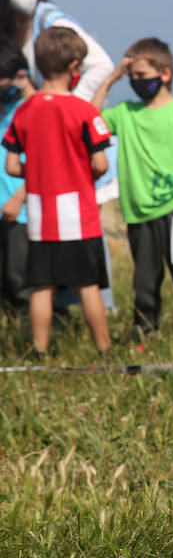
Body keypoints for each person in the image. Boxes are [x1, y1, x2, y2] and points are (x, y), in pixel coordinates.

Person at [3, 0, 119, 311]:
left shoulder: (53, 23)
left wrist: (65, 109)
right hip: (39, 149)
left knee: (81, 243)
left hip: (63, 151)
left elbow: (100, 65)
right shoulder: (9, 26)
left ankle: (95, 308)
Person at [89, 38, 173, 340]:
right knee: (144, 281)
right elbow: (91, 120)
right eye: (132, 77)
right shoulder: (125, 113)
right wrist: (112, 79)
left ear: (165, 73)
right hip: (139, 210)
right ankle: (144, 333)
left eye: (141, 76)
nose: (136, 82)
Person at [2, 27, 113, 354]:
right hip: (79, 215)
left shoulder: (24, 111)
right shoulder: (84, 112)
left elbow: (11, 166)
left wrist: (38, 172)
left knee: (42, 287)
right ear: (74, 68)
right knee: (88, 285)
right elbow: (101, 164)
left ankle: (38, 349)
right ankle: (103, 349)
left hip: (39, 214)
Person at [0, 41, 33, 314]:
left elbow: (46, 164)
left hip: (21, 211)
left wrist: (18, 198)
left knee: (21, 281)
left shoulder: (33, 110)